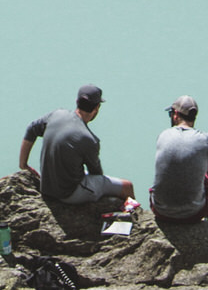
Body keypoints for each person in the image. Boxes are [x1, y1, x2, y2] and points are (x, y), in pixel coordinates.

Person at [19, 84, 138, 232]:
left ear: (77, 102)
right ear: (96, 109)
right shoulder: (88, 139)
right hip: (67, 193)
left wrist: (23, 164)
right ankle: (128, 228)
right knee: (127, 186)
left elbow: (31, 128)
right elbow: (96, 173)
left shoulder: (57, 114)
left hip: (46, 186)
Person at [151, 97, 208, 228]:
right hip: (192, 214)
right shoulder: (207, 139)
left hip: (160, 210)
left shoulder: (163, 135)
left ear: (175, 115)